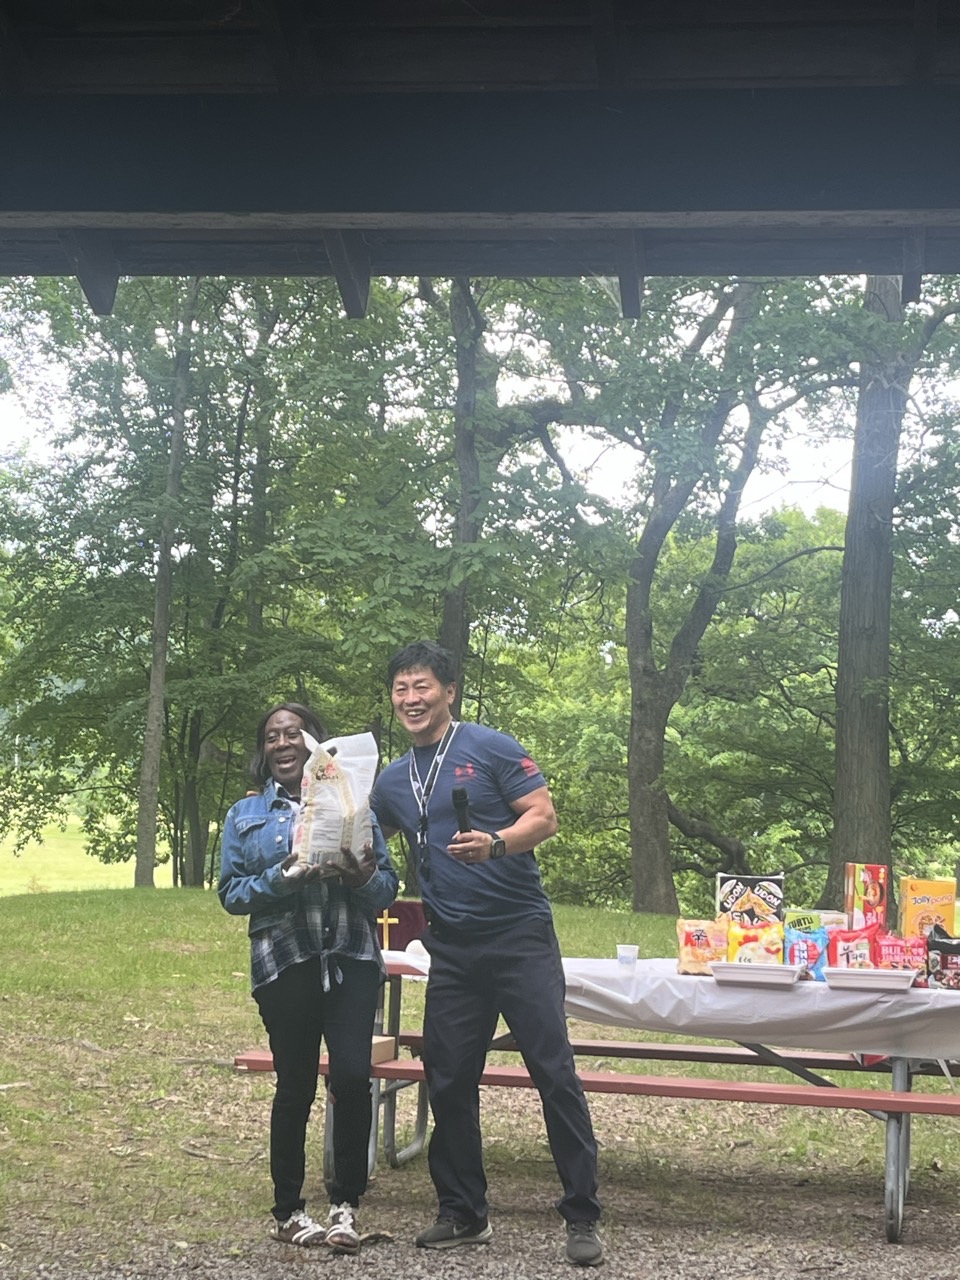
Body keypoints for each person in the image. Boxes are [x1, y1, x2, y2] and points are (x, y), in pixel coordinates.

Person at [370, 641, 603, 1267]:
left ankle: (582, 1214)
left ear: (448, 691)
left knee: (553, 1073)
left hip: (519, 937)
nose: (411, 698)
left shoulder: (491, 747)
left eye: (422, 686)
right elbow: (364, 838)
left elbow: (544, 817)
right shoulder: (392, 779)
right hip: (451, 947)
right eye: (401, 689)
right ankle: (464, 1212)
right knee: (448, 1079)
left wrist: (496, 843)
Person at [218, 702, 398, 1253]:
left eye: (293, 733)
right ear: (264, 750)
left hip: (350, 956)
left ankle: (345, 1206)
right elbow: (231, 893)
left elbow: (386, 888)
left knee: (352, 1077)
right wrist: (283, 877)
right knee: (294, 1083)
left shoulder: (355, 802)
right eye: (272, 736)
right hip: (285, 960)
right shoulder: (245, 814)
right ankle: (289, 1212)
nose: (282, 742)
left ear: (315, 744)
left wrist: (360, 876)